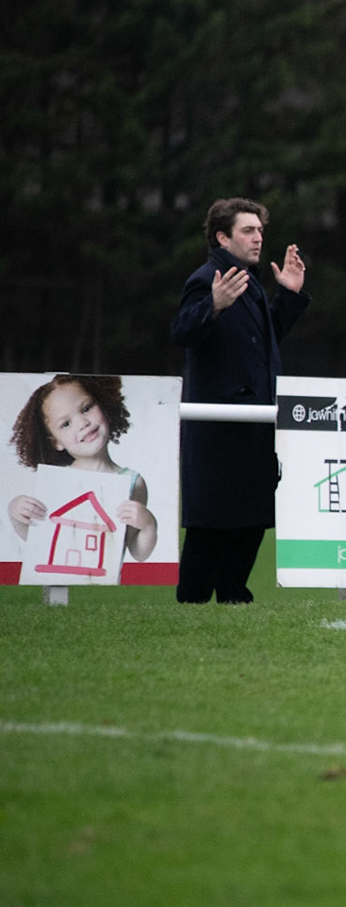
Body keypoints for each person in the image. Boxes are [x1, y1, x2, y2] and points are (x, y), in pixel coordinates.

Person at [170, 198, 309, 604]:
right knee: (212, 523)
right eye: (248, 230)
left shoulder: (246, 280)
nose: (258, 237)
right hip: (220, 429)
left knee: (251, 518)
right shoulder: (208, 279)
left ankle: (234, 595)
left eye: (260, 231)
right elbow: (182, 332)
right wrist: (211, 306)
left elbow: (261, 346)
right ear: (222, 236)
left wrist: (288, 297)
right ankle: (192, 600)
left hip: (255, 424)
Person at [8, 374, 158, 564]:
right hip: (62, 570)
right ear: (55, 442)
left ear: (102, 404)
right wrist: (16, 514)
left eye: (86, 408)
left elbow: (137, 552)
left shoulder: (132, 482)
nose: (82, 423)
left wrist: (148, 524)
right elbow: (40, 538)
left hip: (104, 578)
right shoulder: (55, 481)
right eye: (66, 423)